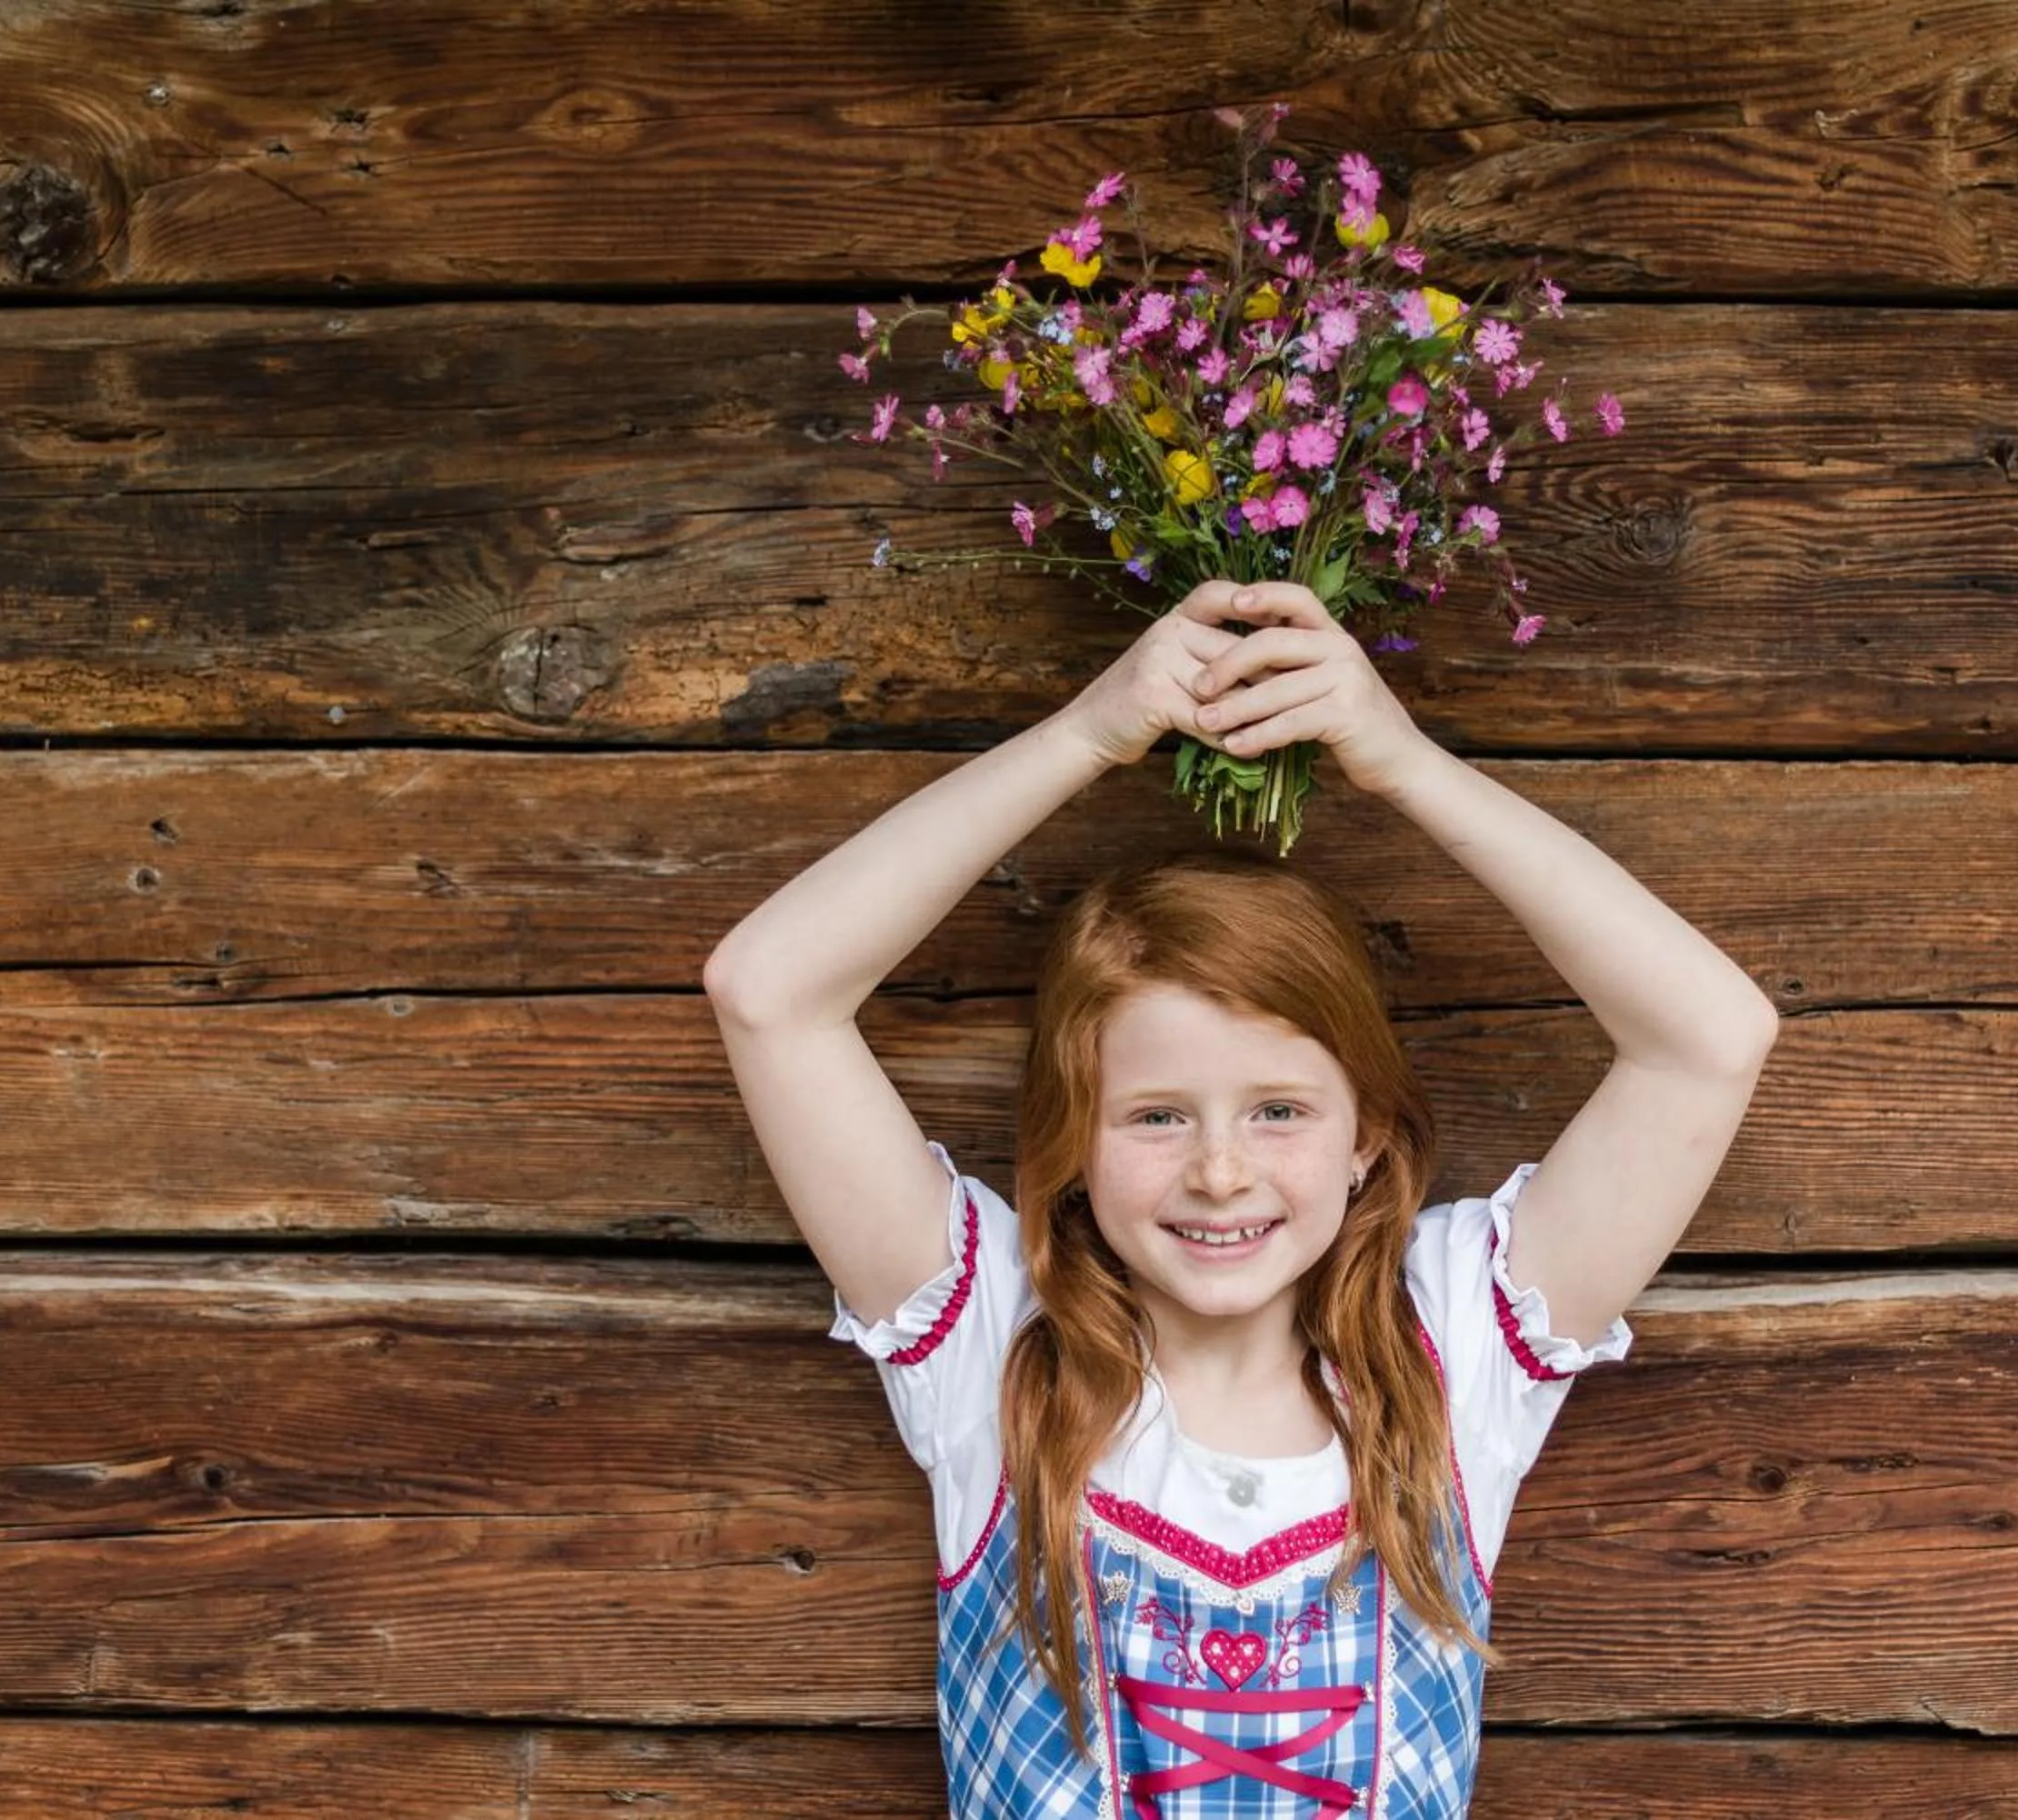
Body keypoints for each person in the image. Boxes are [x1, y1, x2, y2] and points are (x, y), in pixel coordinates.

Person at [704, 577, 1780, 1815]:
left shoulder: (1454, 1346)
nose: (1221, 1169)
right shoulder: (998, 1340)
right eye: (1157, 1116)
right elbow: (768, 988)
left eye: (1280, 1109)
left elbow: (1711, 1035)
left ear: (1368, 1129)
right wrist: (1085, 734)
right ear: (1075, 1141)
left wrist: (1401, 760)